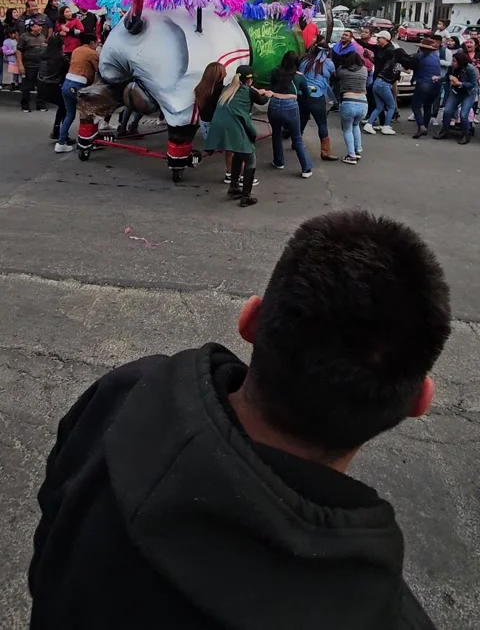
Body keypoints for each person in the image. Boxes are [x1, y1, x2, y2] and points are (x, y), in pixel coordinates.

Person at [29, 210, 451, 630]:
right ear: (419, 401)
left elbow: (52, 526)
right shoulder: (380, 610)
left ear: (250, 321)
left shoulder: (124, 394)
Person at [205, 65, 268, 206]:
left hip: (218, 126)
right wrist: (267, 94)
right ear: (250, 80)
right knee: (250, 158)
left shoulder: (227, 88)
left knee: (238, 153)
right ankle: (246, 197)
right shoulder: (249, 91)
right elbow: (262, 100)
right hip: (234, 127)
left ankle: (233, 187)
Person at [268, 52, 313, 178]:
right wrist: (310, 89)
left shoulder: (275, 72)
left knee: (276, 134)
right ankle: (306, 168)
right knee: (297, 138)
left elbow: (271, 86)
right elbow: (306, 94)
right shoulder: (299, 77)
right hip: (290, 105)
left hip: (274, 104)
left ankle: (279, 161)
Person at [55, 33, 99, 153]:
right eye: (96, 43)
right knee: (87, 115)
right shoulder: (92, 53)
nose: (97, 45)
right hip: (79, 85)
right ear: (92, 42)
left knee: (69, 114)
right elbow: (100, 70)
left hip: (66, 83)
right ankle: (85, 142)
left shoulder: (76, 50)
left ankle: (60, 143)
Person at [299, 40, 337, 161]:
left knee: (302, 119)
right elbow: (333, 77)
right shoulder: (328, 63)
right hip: (317, 96)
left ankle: (296, 143)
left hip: (302, 94)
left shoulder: (304, 60)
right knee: (322, 124)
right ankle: (325, 152)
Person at [363, 31, 402, 136]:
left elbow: (377, 61)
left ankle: (369, 124)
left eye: (379, 38)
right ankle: (386, 126)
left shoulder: (388, 56)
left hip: (377, 82)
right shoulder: (395, 63)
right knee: (391, 106)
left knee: (379, 106)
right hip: (384, 84)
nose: (377, 40)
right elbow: (404, 71)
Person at [435, 49, 478, 144]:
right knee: (447, 111)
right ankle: (444, 131)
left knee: (463, 115)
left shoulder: (470, 69)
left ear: (460, 62)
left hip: (468, 93)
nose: (452, 63)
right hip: (456, 92)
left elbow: (473, 84)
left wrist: (460, 83)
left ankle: (465, 134)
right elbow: (447, 77)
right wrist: (438, 78)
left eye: (454, 61)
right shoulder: (452, 68)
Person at [403, 38, 442, 139]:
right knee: (427, 106)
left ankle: (421, 126)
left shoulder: (419, 56)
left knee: (416, 106)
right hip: (437, 83)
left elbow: (409, 65)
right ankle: (425, 126)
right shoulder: (436, 56)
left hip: (424, 83)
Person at [37, 33, 70, 142]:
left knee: (62, 106)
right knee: (66, 107)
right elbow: (68, 70)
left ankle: (56, 130)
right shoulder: (61, 57)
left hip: (41, 85)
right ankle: (63, 135)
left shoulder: (42, 54)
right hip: (54, 86)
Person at [337, 51, 368, 165]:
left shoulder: (342, 71)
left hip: (348, 101)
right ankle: (357, 149)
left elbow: (335, 76)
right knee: (356, 125)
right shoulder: (364, 70)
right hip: (363, 102)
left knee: (347, 129)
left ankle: (351, 156)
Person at [16, 20, 48, 112]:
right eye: (38, 26)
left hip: (41, 65)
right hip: (28, 65)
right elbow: (18, 51)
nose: (41, 27)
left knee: (41, 86)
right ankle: (25, 104)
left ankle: (40, 104)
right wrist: (20, 65)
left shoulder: (42, 36)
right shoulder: (24, 37)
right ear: (32, 27)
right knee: (27, 86)